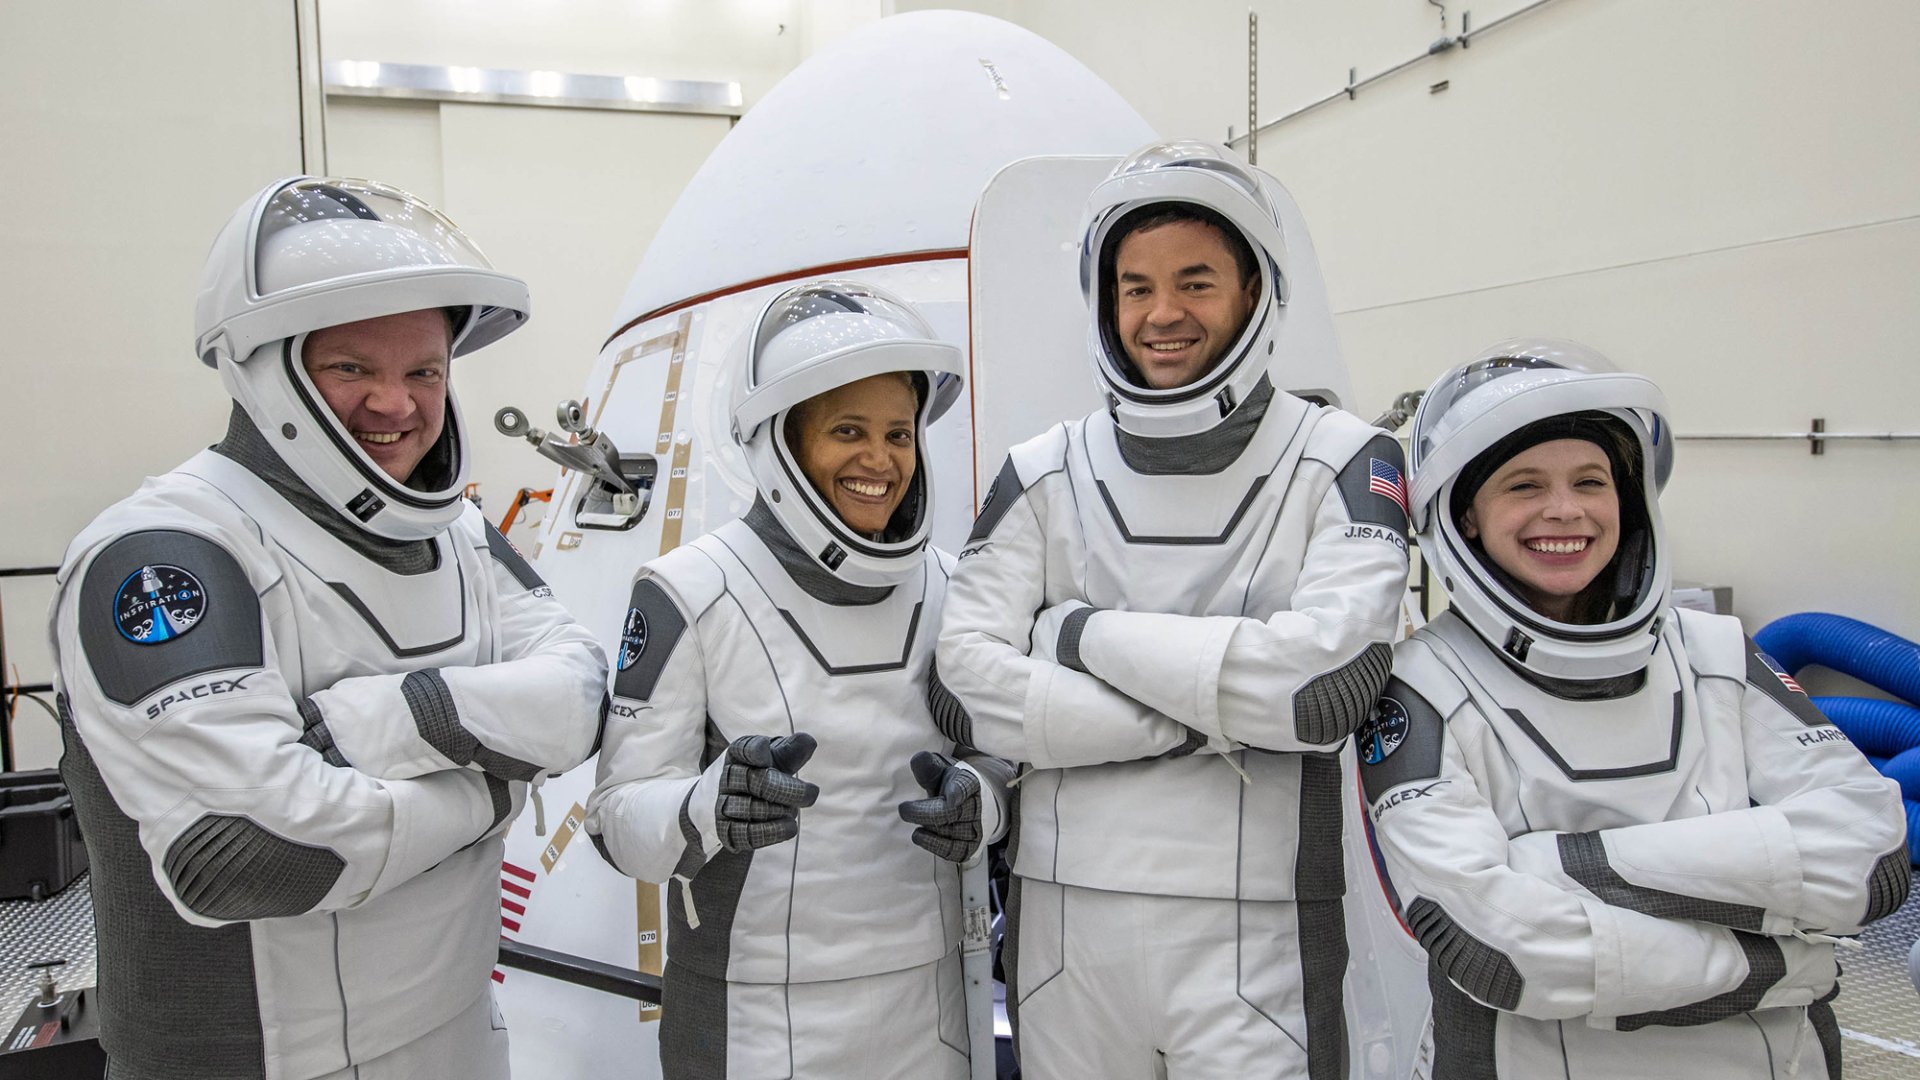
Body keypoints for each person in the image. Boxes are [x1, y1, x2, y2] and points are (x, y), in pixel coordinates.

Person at [47, 177, 608, 1080]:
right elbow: (249, 853)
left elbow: (581, 695)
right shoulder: (167, 553)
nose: (398, 404)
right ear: (263, 367)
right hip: (253, 1059)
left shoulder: (460, 533)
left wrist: (401, 719)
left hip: (461, 1030)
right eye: (353, 368)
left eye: (424, 370)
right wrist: (495, 794)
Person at [935, 140, 1411, 1079]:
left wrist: (1074, 633)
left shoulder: (1348, 461)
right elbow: (965, 683)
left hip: (1262, 932)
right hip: (1060, 930)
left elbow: (1319, 691)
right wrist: (1202, 719)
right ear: (1105, 303)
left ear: (1254, 293)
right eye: (1135, 287)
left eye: (1195, 282)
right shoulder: (1042, 470)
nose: (1162, 314)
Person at [1359, 338, 1910, 1077]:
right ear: (1464, 519)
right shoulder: (1418, 686)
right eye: (1523, 485)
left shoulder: (1718, 653)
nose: (1565, 510)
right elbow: (1501, 950)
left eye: (1590, 480)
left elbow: (1870, 859)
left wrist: (1555, 865)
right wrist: (1779, 967)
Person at [586, 281, 1013, 1080]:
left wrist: (981, 806)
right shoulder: (690, 590)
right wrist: (704, 806)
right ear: (780, 443)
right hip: (755, 1018)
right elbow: (614, 820)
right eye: (847, 430)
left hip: (933, 1009)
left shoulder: (954, 586)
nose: (880, 460)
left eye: (898, 432)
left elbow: (1000, 756)